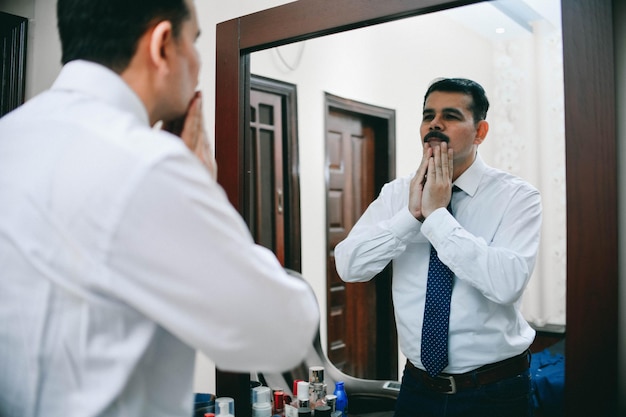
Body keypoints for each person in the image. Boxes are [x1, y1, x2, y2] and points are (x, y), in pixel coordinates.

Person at [0, 0, 320, 416]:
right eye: (195, 42)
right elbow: (284, 334)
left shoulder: (9, 137)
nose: (197, 62)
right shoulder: (149, 165)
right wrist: (203, 191)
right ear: (163, 45)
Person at [334, 78, 542, 417]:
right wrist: (411, 215)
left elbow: (506, 284)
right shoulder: (397, 195)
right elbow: (349, 265)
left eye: (451, 115)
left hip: (495, 391)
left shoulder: (517, 197)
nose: (435, 123)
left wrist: (436, 218)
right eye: (428, 114)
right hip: (417, 388)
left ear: (480, 132)